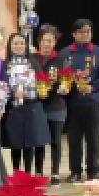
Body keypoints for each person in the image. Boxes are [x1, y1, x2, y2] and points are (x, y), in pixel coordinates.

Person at [59, 19, 99, 182]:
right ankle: (75, 171)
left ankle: (93, 171)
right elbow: (60, 75)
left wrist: (93, 88)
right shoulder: (65, 53)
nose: (85, 34)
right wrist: (66, 86)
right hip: (72, 102)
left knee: (93, 138)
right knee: (74, 139)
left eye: (88, 31)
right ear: (74, 34)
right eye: (81, 32)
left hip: (93, 102)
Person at [0, 32, 51, 173]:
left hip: (32, 108)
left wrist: (41, 90)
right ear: (10, 46)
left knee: (31, 143)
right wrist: (12, 94)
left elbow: (42, 81)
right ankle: (16, 173)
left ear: (26, 45)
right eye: (16, 43)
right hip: (14, 109)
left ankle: (29, 174)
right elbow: (1, 87)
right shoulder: (5, 65)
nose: (19, 46)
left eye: (22, 43)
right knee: (15, 144)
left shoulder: (33, 62)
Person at [33, 24, 68, 186]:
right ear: (39, 41)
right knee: (38, 141)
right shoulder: (32, 59)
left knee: (56, 141)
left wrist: (65, 87)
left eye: (50, 41)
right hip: (36, 105)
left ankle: (55, 173)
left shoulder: (61, 60)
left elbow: (67, 79)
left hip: (56, 106)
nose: (47, 44)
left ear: (55, 42)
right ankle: (39, 172)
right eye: (44, 40)